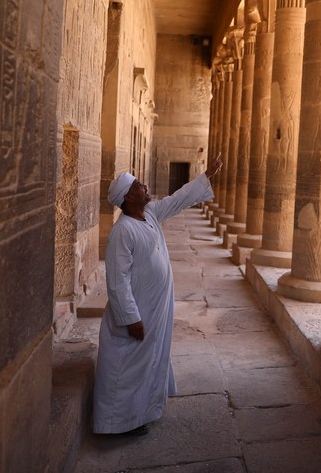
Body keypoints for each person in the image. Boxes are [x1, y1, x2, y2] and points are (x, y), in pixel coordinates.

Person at [93, 158, 223, 436]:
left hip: (155, 308)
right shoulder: (122, 231)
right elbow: (117, 282)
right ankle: (118, 421)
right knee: (127, 368)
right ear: (128, 197)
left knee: (149, 361)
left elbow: (178, 200)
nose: (144, 185)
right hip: (138, 311)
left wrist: (207, 175)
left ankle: (143, 412)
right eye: (138, 185)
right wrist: (131, 318)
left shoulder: (149, 214)